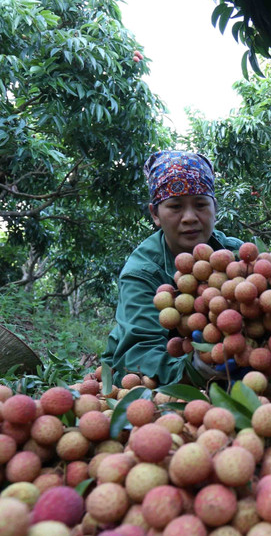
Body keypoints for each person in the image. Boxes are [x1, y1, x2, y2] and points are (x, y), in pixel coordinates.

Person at [103, 151, 243, 383]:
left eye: (200, 204)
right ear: (155, 214)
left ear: (215, 208)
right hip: (161, 383)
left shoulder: (237, 256)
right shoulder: (141, 273)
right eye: (175, 207)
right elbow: (135, 356)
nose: (189, 217)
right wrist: (191, 370)